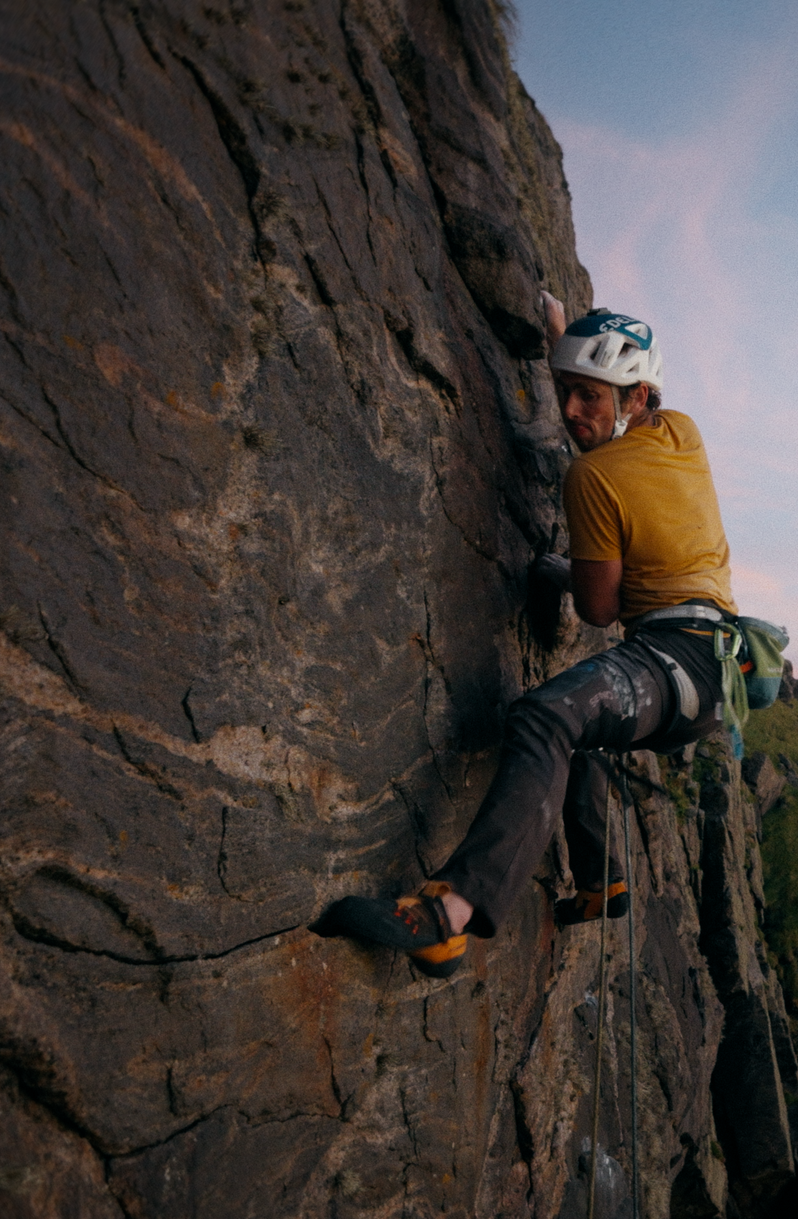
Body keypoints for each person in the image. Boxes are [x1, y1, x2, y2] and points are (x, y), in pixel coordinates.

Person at [313, 308, 738, 977]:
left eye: (587, 395)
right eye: (563, 388)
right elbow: (627, 421)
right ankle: (600, 882)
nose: (570, 409)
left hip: (673, 660)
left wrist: (561, 570)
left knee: (547, 716)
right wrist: (567, 345)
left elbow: (598, 610)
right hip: (715, 675)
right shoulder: (682, 432)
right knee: (586, 733)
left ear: (633, 398)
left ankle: (445, 918)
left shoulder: (591, 479)